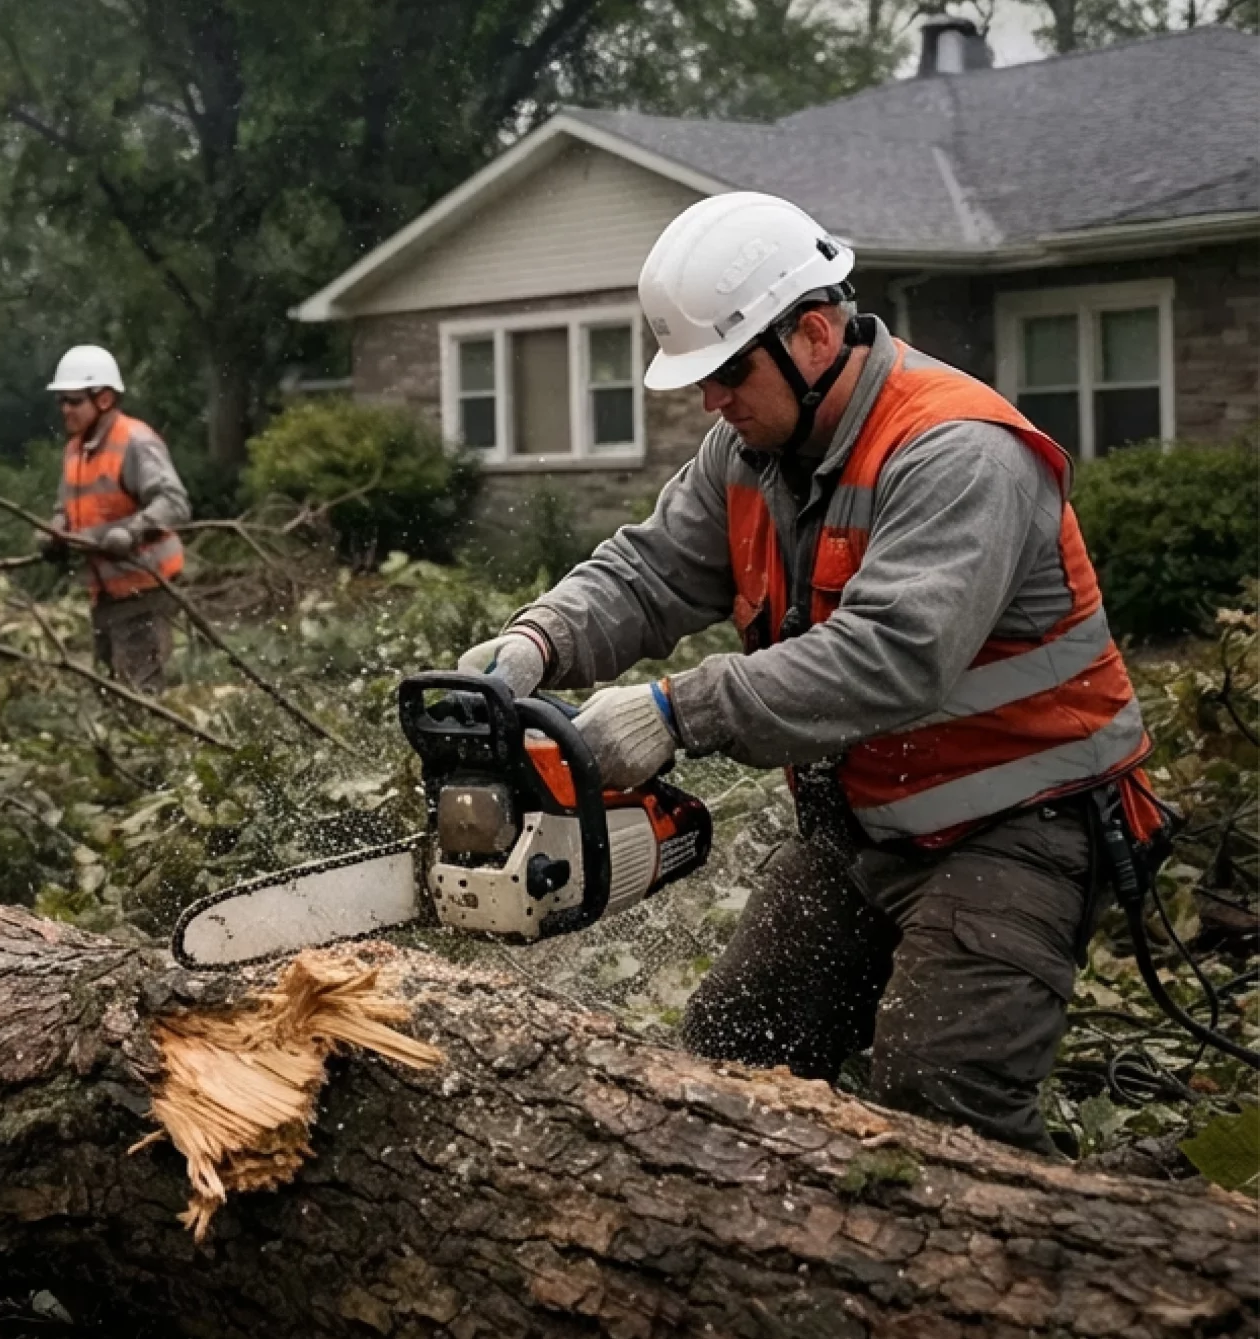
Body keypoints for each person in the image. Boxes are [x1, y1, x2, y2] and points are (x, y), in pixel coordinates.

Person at [457, 190, 1160, 1154]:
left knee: (940, 1103)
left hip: (1020, 828)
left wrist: (674, 709)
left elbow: (893, 657)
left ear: (816, 335)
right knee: (728, 1063)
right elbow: (656, 567)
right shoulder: (752, 448)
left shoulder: (958, 449)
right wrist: (542, 638)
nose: (711, 399)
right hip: (865, 824)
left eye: (728, 371)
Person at [40, 346, 190, 693]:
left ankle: (149, 748)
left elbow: (174, 502)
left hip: (144, 588)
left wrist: (133, 532)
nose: (65, 409)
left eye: (74, 401)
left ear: (104, 398)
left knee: (139, 696)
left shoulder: (136, 442)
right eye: (61, 401)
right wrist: (56, 532)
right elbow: (67, 507)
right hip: (104, 593)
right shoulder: (76, 449)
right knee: (109, 692)